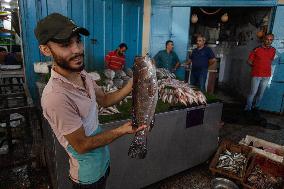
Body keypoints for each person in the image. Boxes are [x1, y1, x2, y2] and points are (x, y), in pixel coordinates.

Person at [35, 13, 146, 189]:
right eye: (65, 45)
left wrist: (133, 83)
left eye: (78, 41)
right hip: (87, 177)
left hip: (103, 161)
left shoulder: (82, 74)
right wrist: (122, 130)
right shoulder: (55, 96)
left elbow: (105, 99)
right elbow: (82, 145)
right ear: (46, 50)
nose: (77, 50)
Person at [245, 33, 276, 112]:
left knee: (261, 94)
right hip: (256, 75)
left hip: (267, 75)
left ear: (272, 41)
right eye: (267, 39)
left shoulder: (273, 50)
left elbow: (270, 60)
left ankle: (256, 107)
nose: (269, 41)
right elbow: (249, 61)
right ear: (264, 39)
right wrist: (256, 67)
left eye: (271, 40)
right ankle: (248, 108)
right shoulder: (257, 49)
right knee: (253, 93)